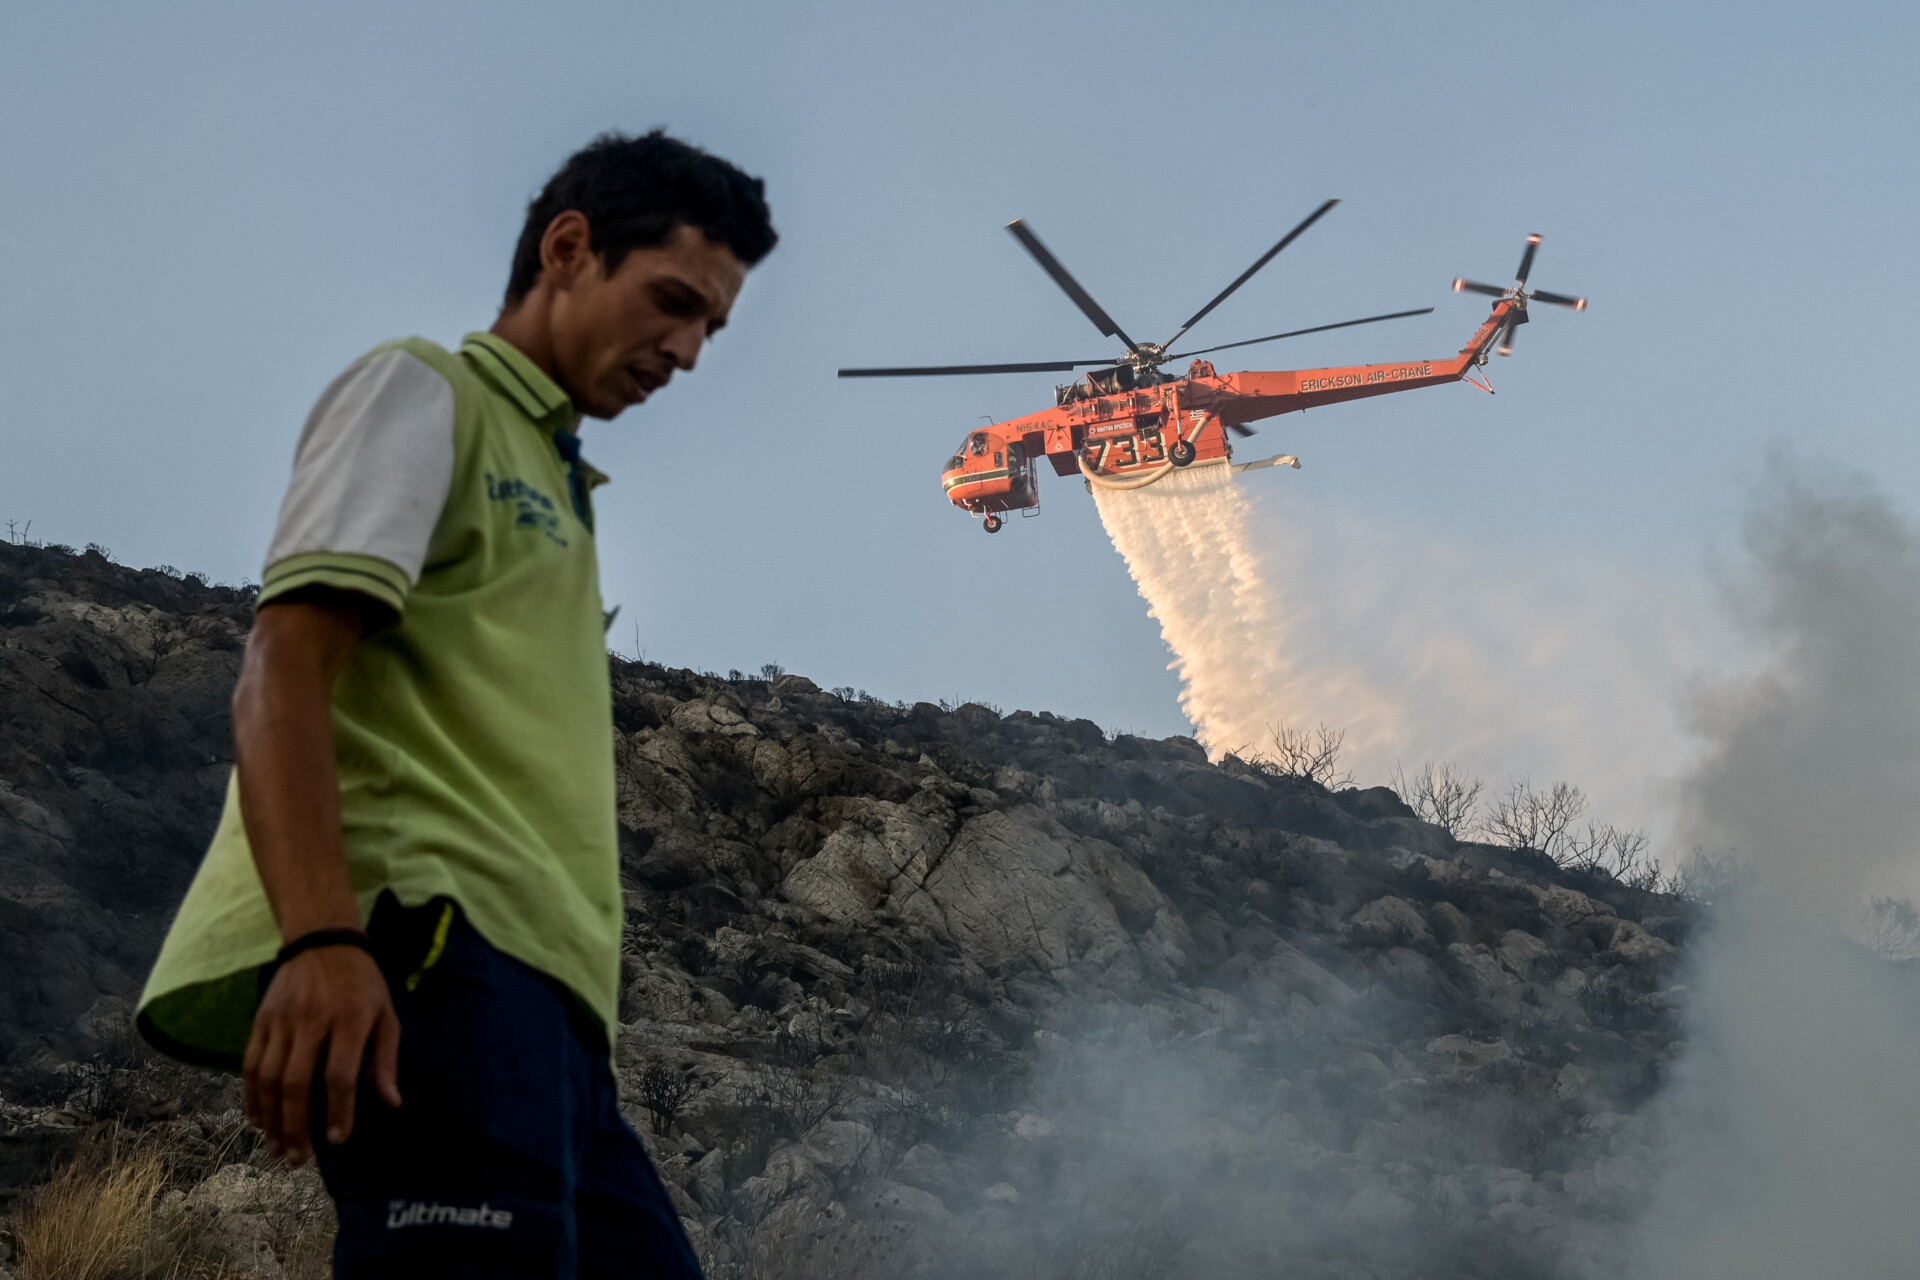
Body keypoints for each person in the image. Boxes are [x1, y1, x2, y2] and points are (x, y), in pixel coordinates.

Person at [136, 130, 777, 1277]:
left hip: (562, 1023)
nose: (685, 349)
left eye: (711, 329)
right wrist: (324, 939)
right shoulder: (427, 389)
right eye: (673, 301)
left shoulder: (563, 484)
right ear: (569, 248)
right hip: (438, 958)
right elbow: (281, 664)